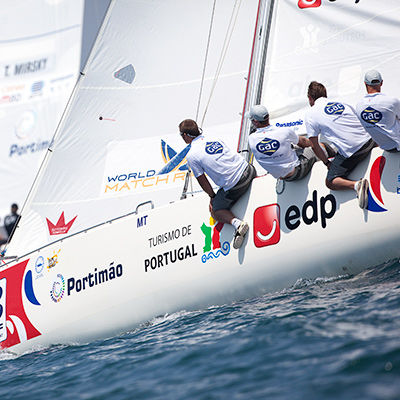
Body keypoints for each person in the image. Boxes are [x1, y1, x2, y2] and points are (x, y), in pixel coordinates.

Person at [179, 119, 256, 249]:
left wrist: (212, 196)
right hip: (249, 170)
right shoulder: (214, 138)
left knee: (215, 210)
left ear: (185, 136)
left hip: (237, 184)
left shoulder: (192, 155)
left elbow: (203, 181)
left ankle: (238, 224)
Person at [305, 81, 376, 209]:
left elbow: (314, 146)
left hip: (355, 151)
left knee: (330, 181)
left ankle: (356, 185)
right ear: (325, 94)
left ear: (310, 97)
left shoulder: (311, 114)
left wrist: (327, 163)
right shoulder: (342, 103)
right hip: (370, 140)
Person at [246, 105, 326, 181]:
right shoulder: (284, 131)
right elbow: (304, 143)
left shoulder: (251, 139)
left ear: (256, 121)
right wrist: (315, 146)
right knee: (321, 146)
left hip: (281, 177)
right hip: (297, 172)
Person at [356, 70, 400, 152]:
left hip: (387, 148)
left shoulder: (358, 106)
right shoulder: (391, 100)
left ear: (365, 83)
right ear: (381, 83)